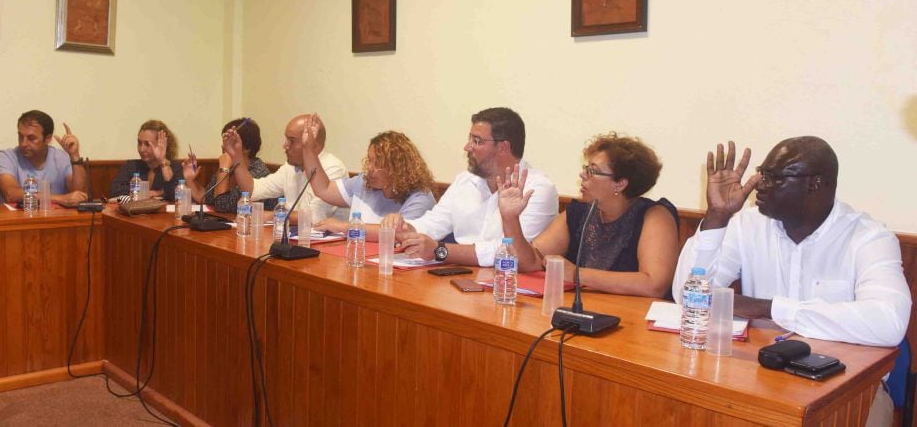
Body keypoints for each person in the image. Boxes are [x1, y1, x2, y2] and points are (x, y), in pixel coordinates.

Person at [673, 138, 910, 426]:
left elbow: (888, 323)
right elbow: (685, 296)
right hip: (761, 380)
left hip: (850, 389)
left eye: (773, 178)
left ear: (814, 184)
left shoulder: (869, 238)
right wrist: (717, 217)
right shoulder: (746, 225)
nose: (759, 184)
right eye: (762, 173)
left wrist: (770, 308)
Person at [497, 133, 679, 298]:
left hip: (631, 325)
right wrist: (510, 218)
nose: (582, 175)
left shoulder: (655, 216)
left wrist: (577, 274)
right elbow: (530, 263)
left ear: (620, 184)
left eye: (592, 171)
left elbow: (654, 285)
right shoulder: (578, 214)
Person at [385, 107, 558, 267]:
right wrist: (404, 228)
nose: (467, 147)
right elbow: (434, 223)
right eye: (470, 139)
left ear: (503, 147)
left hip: (509, 285)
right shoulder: (465, 180)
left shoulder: (538, 189)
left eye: (477, 141)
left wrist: (441, 251)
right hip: (458, 277)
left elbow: (513, 253)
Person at [300, 114, 436, 238]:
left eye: (378, 164)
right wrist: (308, 149)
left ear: (398, 168)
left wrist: (344, 227)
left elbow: (397, 235)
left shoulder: (421, 197)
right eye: (370, 160)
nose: (370, 168)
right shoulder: (364, 182)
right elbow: (324, 189)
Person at [222, 114, 348, 221]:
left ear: (313, 144)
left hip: (328, 245)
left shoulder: (333, 168)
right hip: (293, 238)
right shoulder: (290, 167)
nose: (285, 145)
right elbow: (252, 190)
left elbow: (314, 217)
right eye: (286, 139)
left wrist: (272, 215)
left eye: (292, 141)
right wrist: (237, 156)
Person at [0, 110, 89, 205]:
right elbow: (11, 194)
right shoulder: (6, 157)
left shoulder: (61, 157)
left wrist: (74, 155)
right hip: (17, 219)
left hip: (56, 218)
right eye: (20, 136)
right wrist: (61, 199)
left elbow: (80, 195)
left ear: (48, 138)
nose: (23, 144)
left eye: (31, 138)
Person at [193, 118, 277, 212]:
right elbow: (209, 198)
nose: (223, 146)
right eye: (224, 140)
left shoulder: (259, 172)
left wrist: (224, 168)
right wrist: (189, 180)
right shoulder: (230, 166)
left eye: (229, 141)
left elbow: (222, 205)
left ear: (247, 148)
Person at [108, 120, 184, 200]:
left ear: (161, 144)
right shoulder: (131, 166)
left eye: (147, 144)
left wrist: (162, 161)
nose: (142, 149)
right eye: (139, 143)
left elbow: (176, 195)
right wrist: (155, 192)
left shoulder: (175, 167)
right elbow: (115, 191)